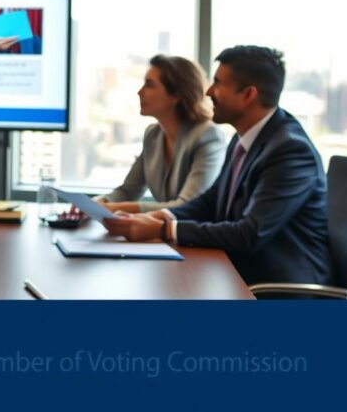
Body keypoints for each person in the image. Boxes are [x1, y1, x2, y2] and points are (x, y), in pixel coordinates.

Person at [102, 46, 330, 285]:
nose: (209, 91)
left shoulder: (290, 151)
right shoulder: (243, 138)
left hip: (279, 288)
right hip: (237, 272)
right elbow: (211, 201)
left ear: (248, 95)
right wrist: (163, 215)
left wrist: (163, 229)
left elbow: (249, 233)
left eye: (218, 83)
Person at [96, 55, 226, 213]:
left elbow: (187, 206)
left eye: (149, 85)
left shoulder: (207, 136)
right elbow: (128, 191)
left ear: (176, 95)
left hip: (192, 235)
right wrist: (95, 203)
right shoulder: (153, 135)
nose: (140, 92)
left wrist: (115, 208)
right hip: (161, 233)